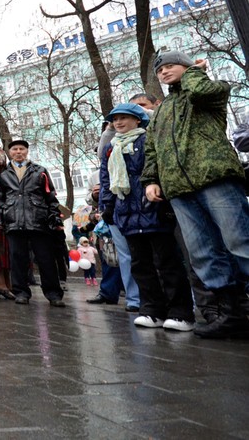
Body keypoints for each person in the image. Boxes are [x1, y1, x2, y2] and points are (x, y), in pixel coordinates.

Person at [142, 52, 249, 339]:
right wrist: (151, 179)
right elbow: (152, 148)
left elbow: (202, 90)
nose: (164, 72)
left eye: (171, 66)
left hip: (215, 178)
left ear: (188, 66)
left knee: (240, 241)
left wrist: (194, 73)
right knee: (203, 253)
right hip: (178, 189)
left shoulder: (209, 91)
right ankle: (232, 312)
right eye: (160, 69)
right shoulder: (162, 111)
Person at [100, 102, 195, 331]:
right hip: (127, 214)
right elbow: (106, 180)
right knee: (140, 264)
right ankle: (152, 309)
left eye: (124, 118)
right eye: (115, 119)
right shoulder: (111, 148)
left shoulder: (148, 141)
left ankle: (181, 312)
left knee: (167, 262)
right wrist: (108, 207)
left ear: (138, 120)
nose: (119, 123)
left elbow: (158, 170)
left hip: (153, 210)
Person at [0, 139, 66, 307]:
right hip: (13, 220)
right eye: (15, 149)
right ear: (9, 153)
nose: (18, 152)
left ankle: (53, 293)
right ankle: (21, 292)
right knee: (17, 259)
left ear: (27, 151)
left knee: (45, 259)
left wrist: (54, 216)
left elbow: (50, 196)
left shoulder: (40, 171)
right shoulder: (3, 174)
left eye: (22, 149)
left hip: (38, 220)